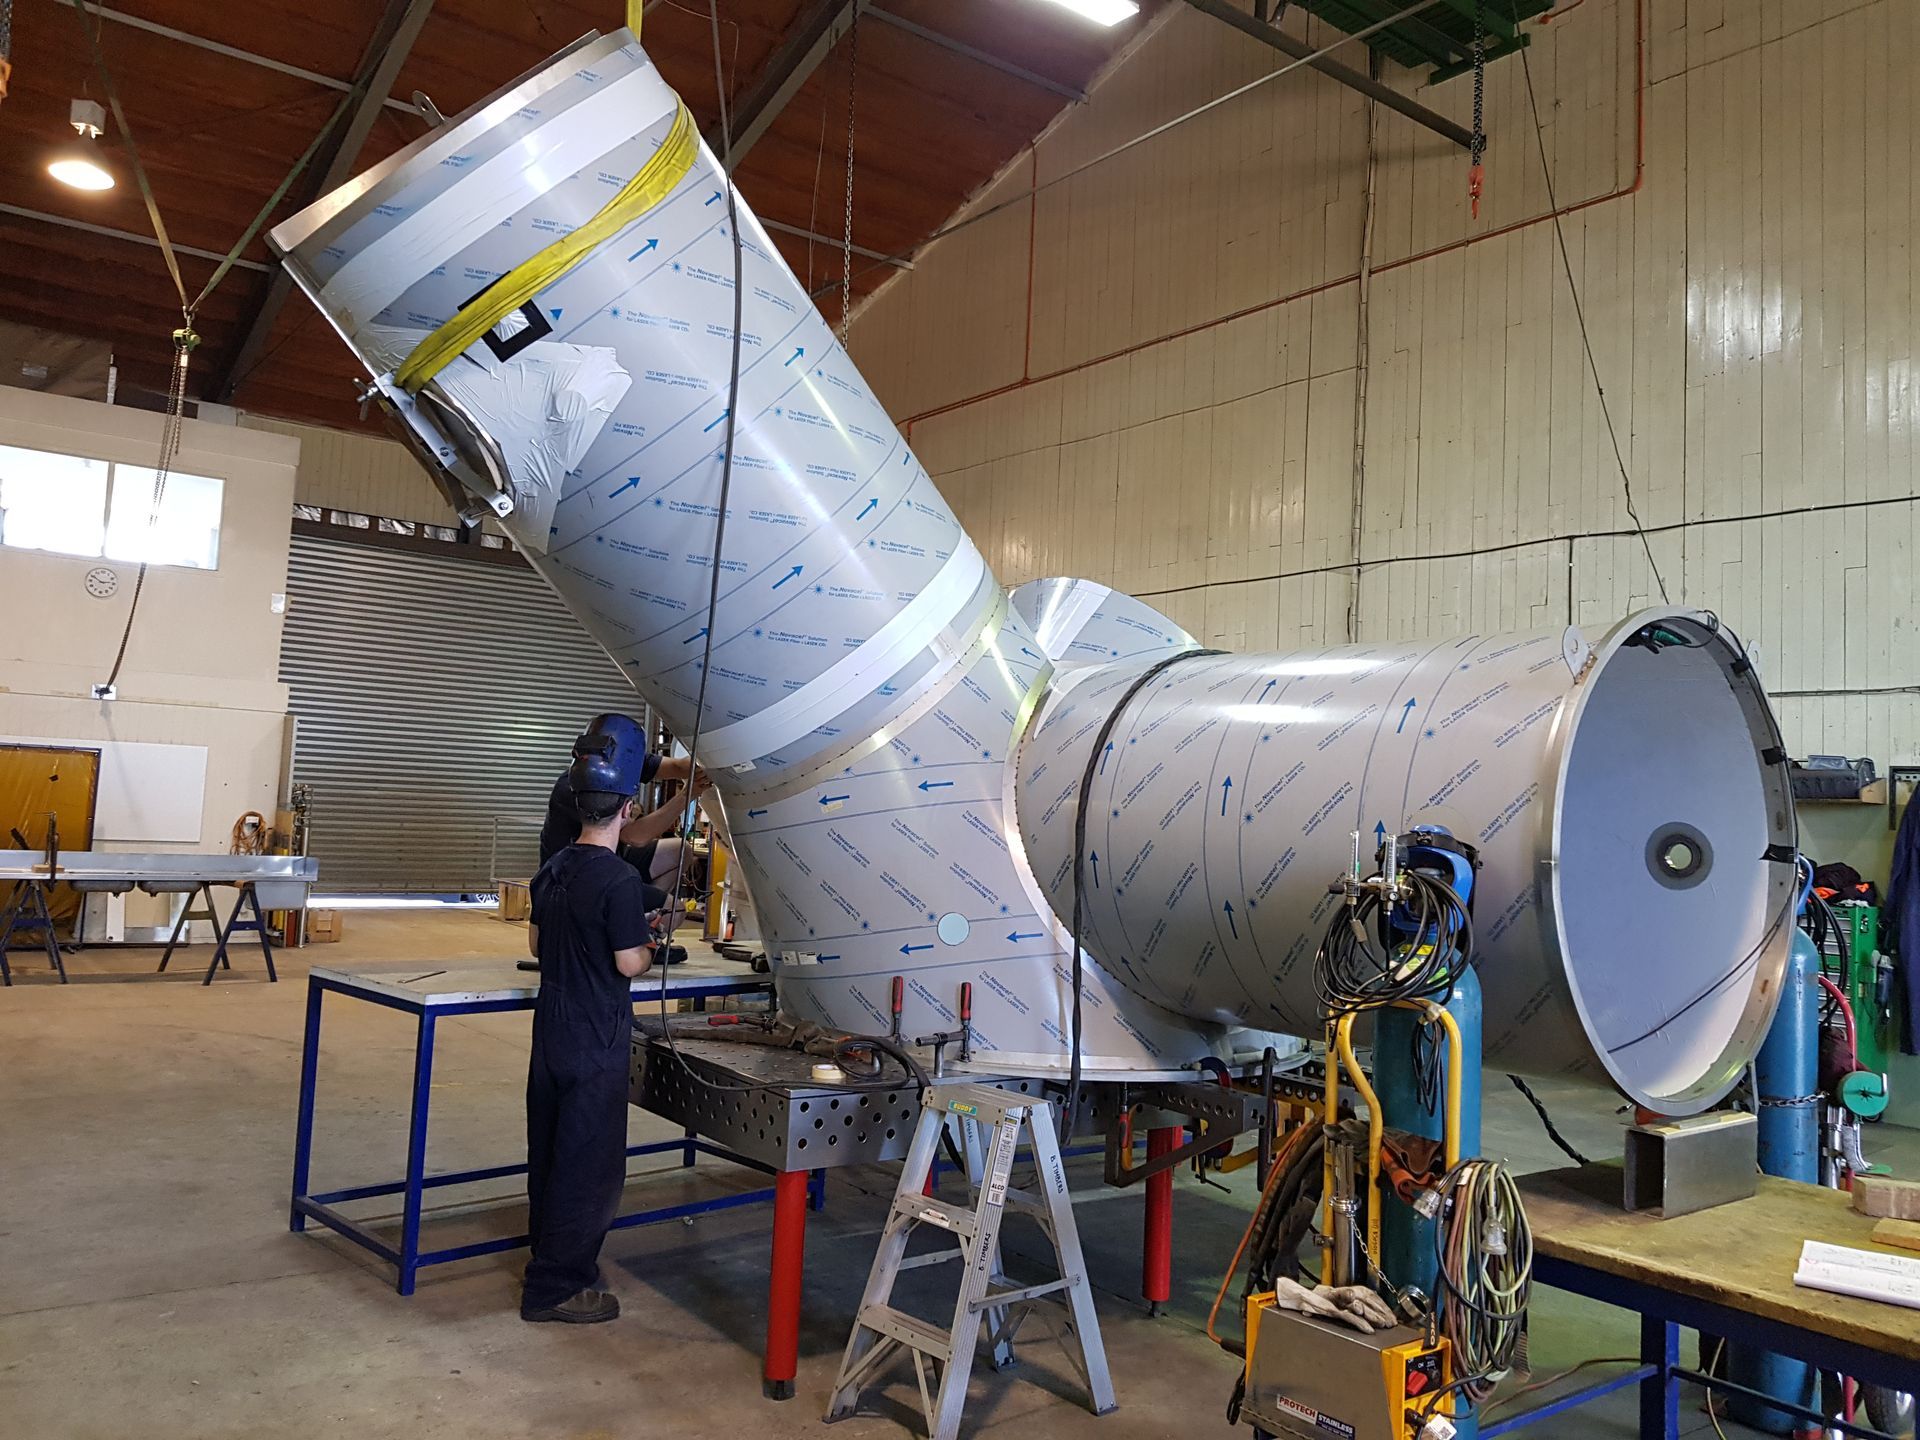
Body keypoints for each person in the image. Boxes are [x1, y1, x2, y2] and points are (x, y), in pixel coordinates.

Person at [520, 722, 660, 1324]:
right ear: (628, 808)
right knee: (589, 1160)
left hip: (550, 1027)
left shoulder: (551, 870)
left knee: (549, 1150)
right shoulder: (621, 880)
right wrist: (649, 942)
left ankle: (549, 1254)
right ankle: (555, 1288)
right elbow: (628, 962)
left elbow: (535, 938)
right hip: (596, 1032)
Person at [538, 713, 707, 895]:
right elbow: (634, 837)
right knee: (675, 910)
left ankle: (645, 913)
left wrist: (705, 766)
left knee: (682, 851)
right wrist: (687, 795)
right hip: (571, 878)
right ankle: (636, 913)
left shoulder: (622, 760)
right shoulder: (579, 786)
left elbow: (677, 766)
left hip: (609, 858)